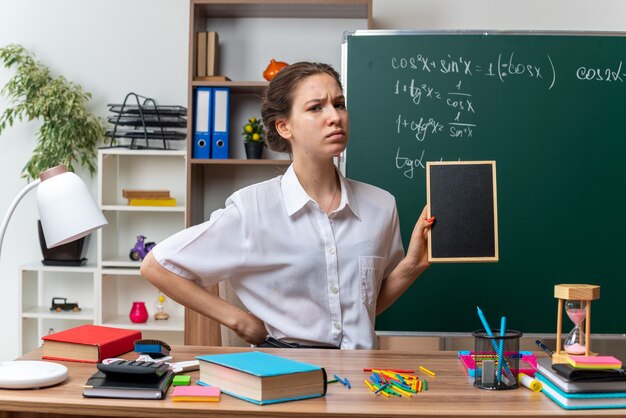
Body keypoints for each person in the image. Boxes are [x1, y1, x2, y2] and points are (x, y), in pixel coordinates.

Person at [140, 62, 434, 349]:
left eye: (339, 104)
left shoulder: (381, 206)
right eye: (316, 107)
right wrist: (239, 321)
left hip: (361, 376)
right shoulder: (252, 209)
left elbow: (365, 306)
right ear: (284, 127)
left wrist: (411, 265)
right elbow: (157, 265)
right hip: (286, 375)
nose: (335, 117)